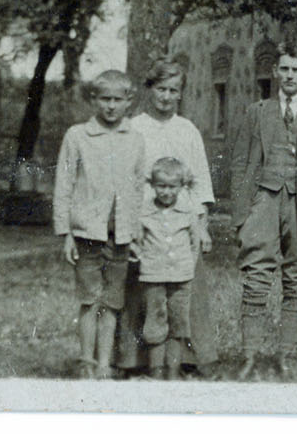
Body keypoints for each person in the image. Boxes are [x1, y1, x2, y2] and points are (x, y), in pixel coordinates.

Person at [228, 38, 297, 377]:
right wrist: (240, 215)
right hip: (263, 200)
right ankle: (249, 356)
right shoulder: (257, 112)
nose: (290, 75)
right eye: (284, 69)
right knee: (256, 278)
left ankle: (286, 357)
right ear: (275, 71)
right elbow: (238, 165)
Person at [113, 61, 217, 376]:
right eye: (161, 89)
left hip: (182, 220)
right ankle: (135, 359)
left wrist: (200, 223)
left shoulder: (187, 129)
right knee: (142, 288)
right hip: (145, 220)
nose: (166, 97)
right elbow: (123, 180)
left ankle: (191, 357)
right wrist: (129, 225)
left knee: (186, 288)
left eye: (174, 90)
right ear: (149, 89)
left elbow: (199, 182)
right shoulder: (133, 127)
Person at [53, 69, 146, 378]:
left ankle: (105, 364)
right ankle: (86, 363)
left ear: (129, 102)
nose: (110, 106)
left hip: (120, 235)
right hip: (86, 233)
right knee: (89, 299)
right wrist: (65, 233)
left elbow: (137, 188)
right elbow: (64, 184)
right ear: (93, 100)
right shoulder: (77, 136)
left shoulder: (134, 138)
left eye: (118, 100)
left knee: (112, 303)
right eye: (104, 99)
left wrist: (134, 233)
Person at [135, 157, 201, 379]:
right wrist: (145, 261)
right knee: (155, 323)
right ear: (153, 185)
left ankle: (173, 372)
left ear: (181, 187)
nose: (166, 192)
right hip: (153, 277)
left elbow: (195, 243)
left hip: (181, 278)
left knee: (178, 324)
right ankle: (156, 371)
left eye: (172, 187)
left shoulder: (187, 212)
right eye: (161, 186)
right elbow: (138, 241)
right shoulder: (144, 213)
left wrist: (186, 267)